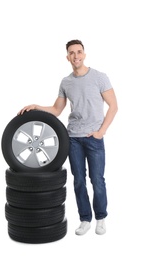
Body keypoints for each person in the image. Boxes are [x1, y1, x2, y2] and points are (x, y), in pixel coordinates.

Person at [18, 39, 118, 235]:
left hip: (94, 138)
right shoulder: (66, 82)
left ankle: (100, 218)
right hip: (73, 138)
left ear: (84, 54)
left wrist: (100, 132)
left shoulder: (100, 77)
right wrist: (37, 106)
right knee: (78, 180)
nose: (76, 56)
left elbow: (114, 107)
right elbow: (57, 109)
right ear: (67, 57)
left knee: (97, 179)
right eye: (72, 53)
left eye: (79, 52)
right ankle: (85, 219)